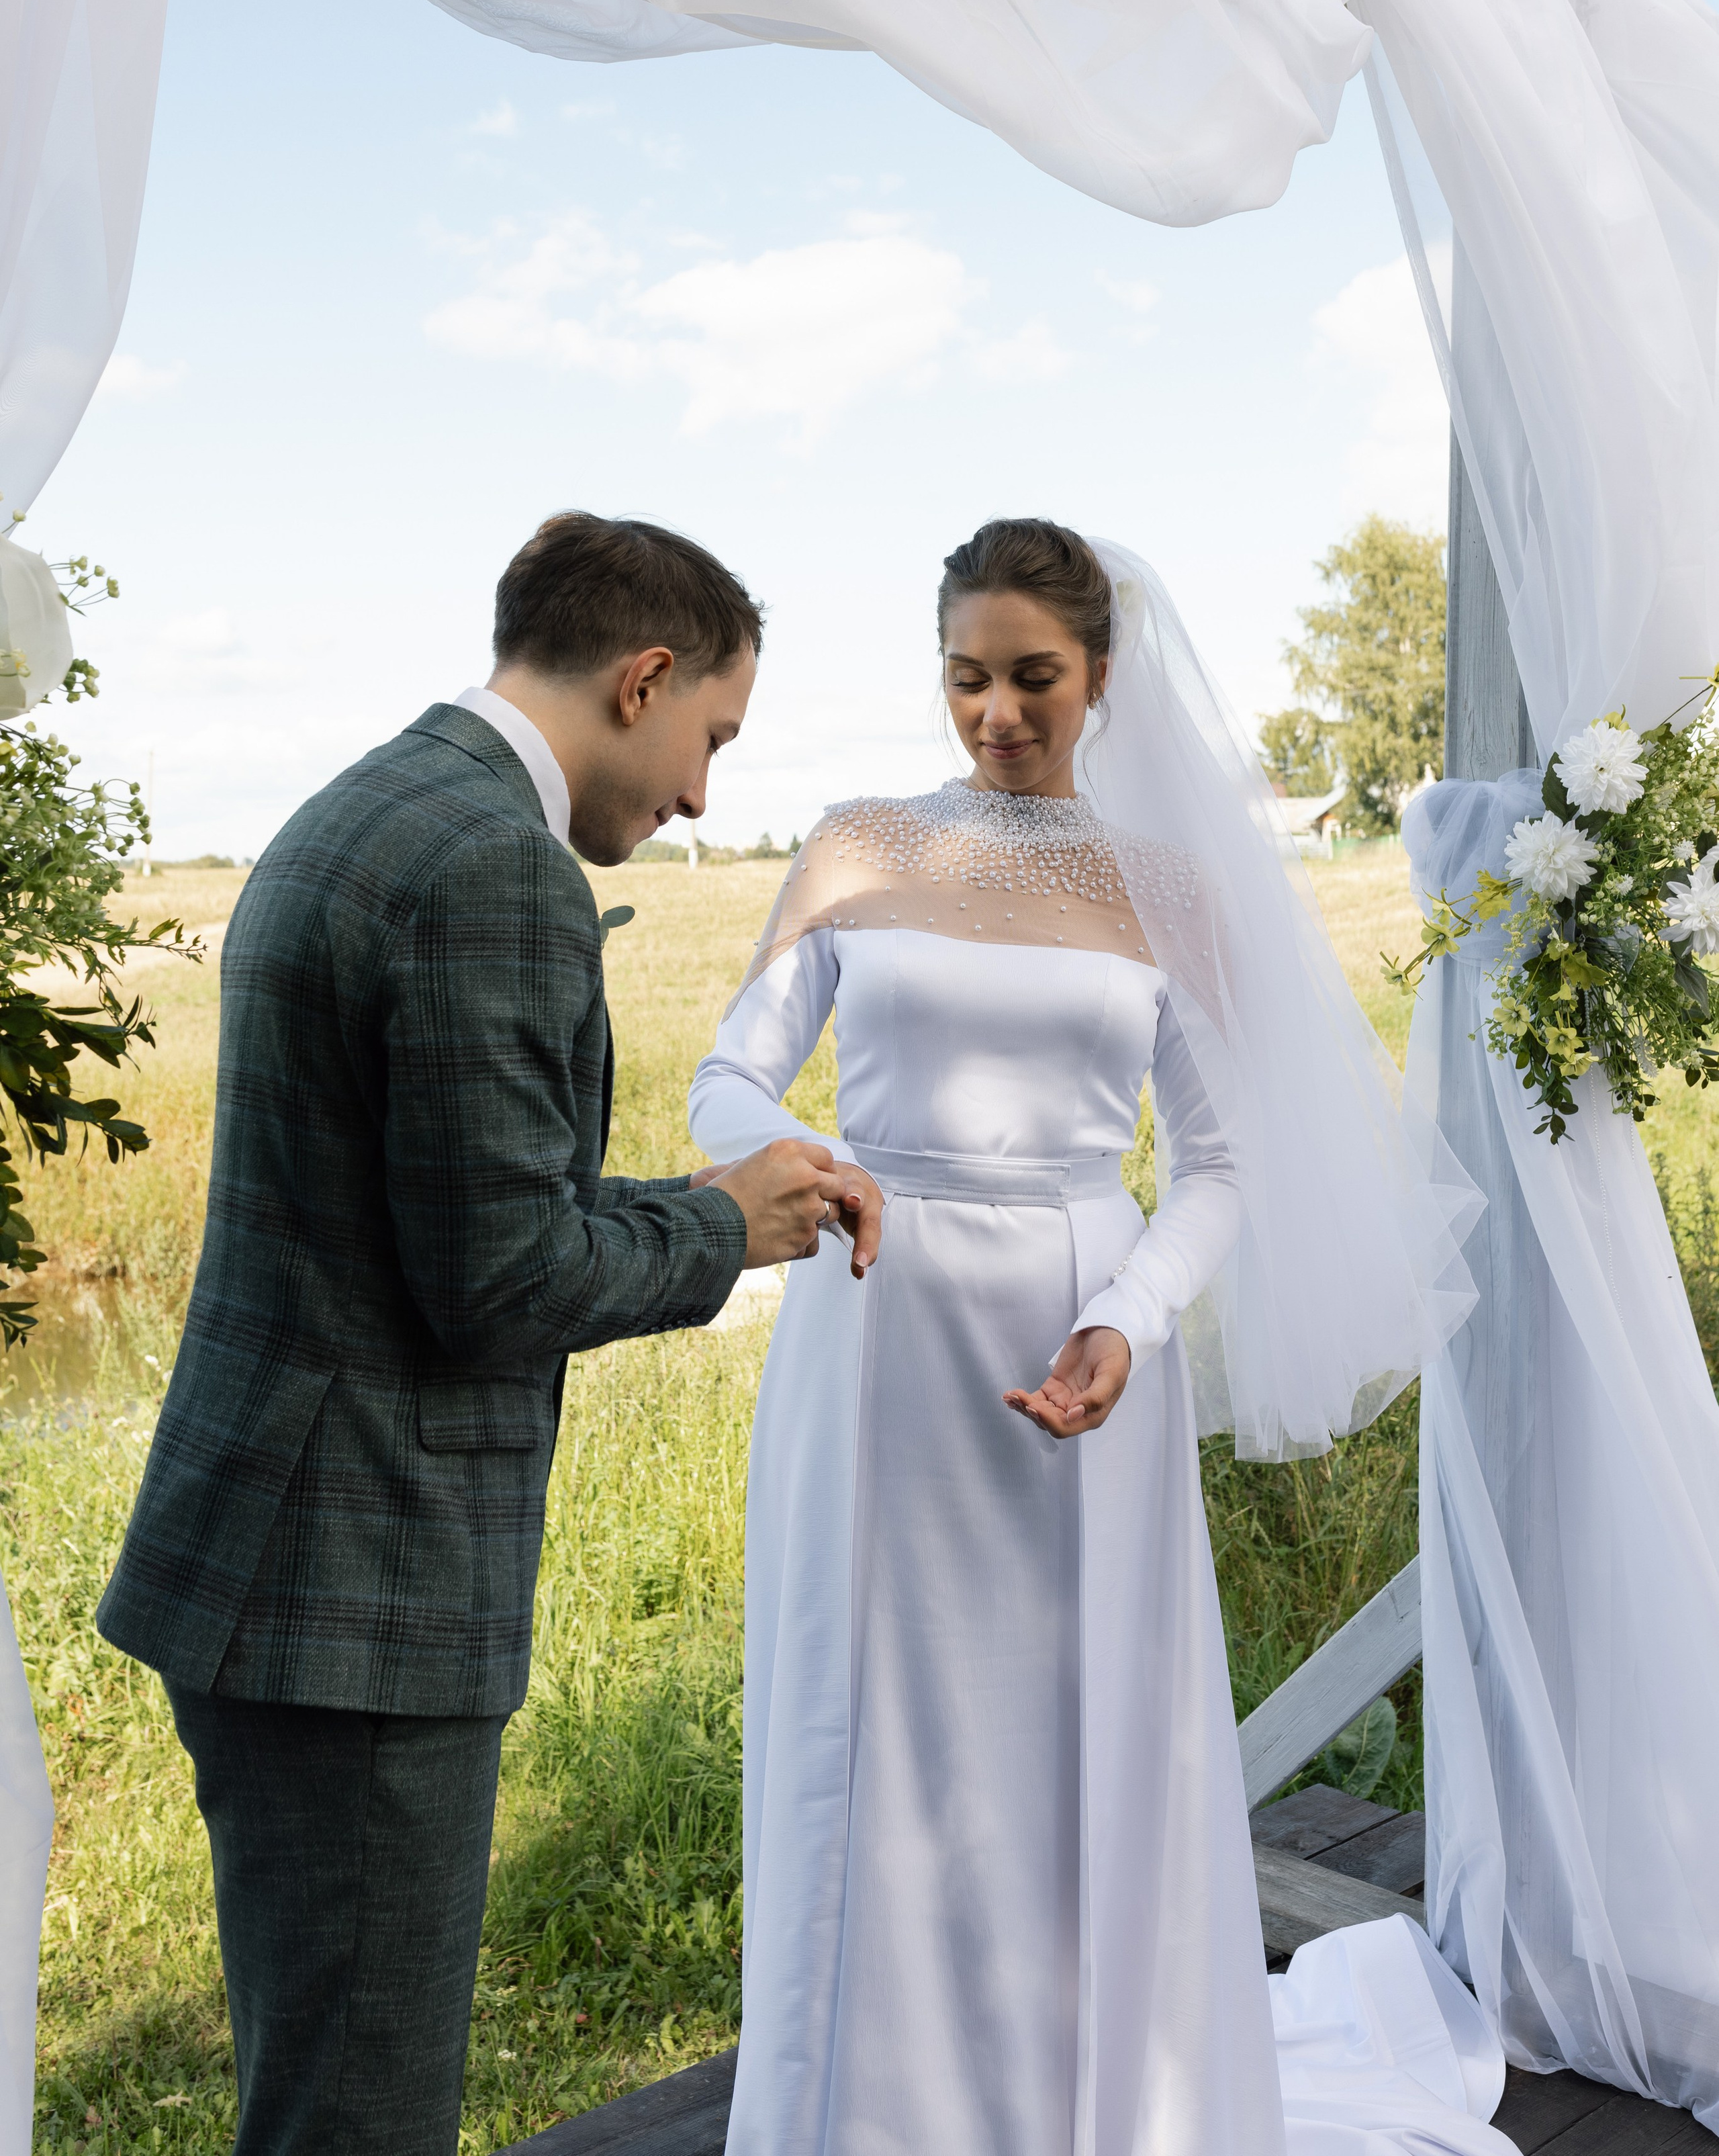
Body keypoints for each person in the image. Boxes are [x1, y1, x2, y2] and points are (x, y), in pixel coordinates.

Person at [690, 518, 1512, 2155]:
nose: (996, 713)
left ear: (1101, 676)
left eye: (1032, 678)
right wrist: (811, 1165)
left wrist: (1126, 1314)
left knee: (1069, 1732)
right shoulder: (855, 848)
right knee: (872, 1721)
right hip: (874, 1320)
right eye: (965, 678)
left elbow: (1217, 1163)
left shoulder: (1160, 892)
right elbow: (728, 1076)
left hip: (1082, 1337)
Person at [96, 511, 884, 2156]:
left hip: (271, 1565)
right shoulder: (498, 870)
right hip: (359, 1597)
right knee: (360, 2118)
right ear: (641, 679)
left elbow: (439, 1207)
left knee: (314, 2090)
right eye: (711, 739)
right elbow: (505, 1281)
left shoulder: (368, 803)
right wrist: (723, 1231)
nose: (699, 798)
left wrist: (682, 1195)